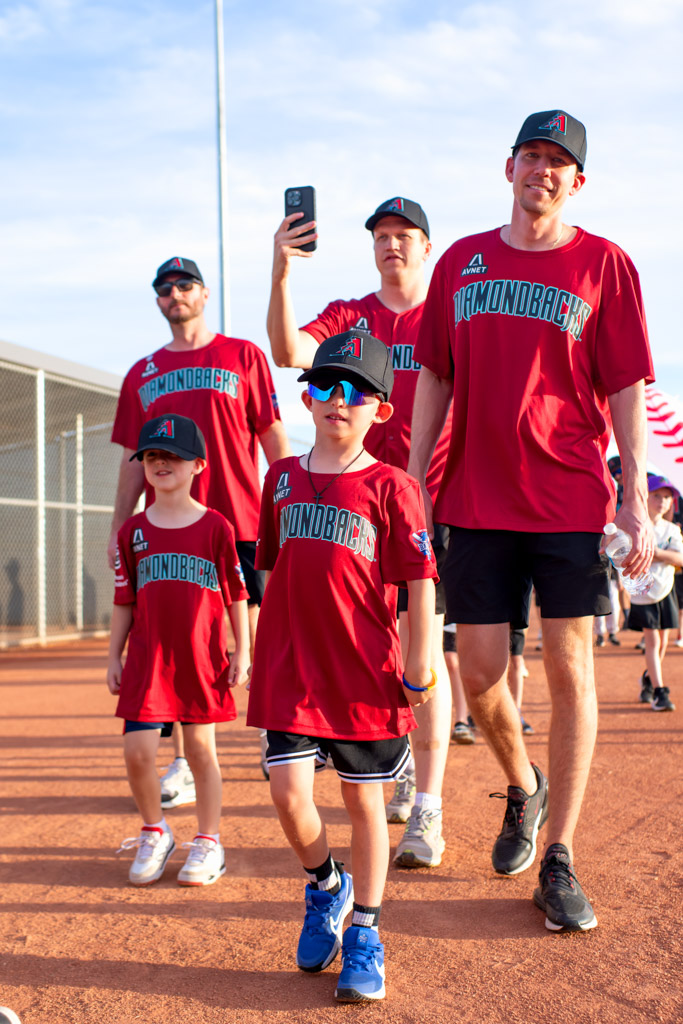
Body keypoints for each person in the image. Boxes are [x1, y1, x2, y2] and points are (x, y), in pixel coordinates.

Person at [407, 109, 655, 932]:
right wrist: (412, 477)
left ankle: (558, 857)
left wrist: (631, 492)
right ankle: (523, 784)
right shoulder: (460, 261)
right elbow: (433, 375)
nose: (541, 170)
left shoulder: (603, 264)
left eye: (557, 161)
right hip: (475, 499)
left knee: (569, 669)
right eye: (530, 156)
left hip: (568, 497)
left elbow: (625, 385)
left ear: (575, 182)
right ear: (506, 166)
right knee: (479, 677)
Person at [247, 332, 437, 1002]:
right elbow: (270, 567)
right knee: (287, 795)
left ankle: (365, 931)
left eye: (356, 390)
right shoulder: (280, 477)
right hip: (292, 666)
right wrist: (263, 645)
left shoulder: (392, 486)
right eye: (325, 384)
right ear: (307, 398)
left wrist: (419, 659)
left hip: (362, 670)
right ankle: (328, 886)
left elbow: (419, 579)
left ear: (380, 410)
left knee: (364, 803)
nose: (338, 399)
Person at [266, 198, 453, 868]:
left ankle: (426, 803)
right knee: (365, 639)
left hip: (431, 499)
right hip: (350, 501)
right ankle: (391, 766)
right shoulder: (351, 316)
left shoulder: (447, 310)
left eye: (404, 234)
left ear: (426, 246)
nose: (391, 244)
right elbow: (289, 351)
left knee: (426, 652)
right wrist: (282, 270)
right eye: (381, 235)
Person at [109, 257, 290, 804]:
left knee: (255, 629)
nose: (175, 294)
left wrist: (288, 500)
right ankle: (185, 762)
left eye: (185, 284)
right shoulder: (141, 373)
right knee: (181, 638)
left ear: (204, 294)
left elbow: (271, 433)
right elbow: (131, 457)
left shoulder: (243, 355)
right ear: (158, 300)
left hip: (240, 517)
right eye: (164, 288)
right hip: (166, 530)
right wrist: (119, 524)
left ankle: (269, 733)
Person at [107, 414, 250, 886]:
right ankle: (155, 830)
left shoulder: (216, 526)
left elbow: (236, 595)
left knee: (202, 751)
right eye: (152, 455)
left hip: (200, 658)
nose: (161, 462)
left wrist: (242, 651)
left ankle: (209, 840)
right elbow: (124, 599)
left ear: (199, 465)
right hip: (148, 660)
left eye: (173, 455)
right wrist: (113, 656)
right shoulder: (132, 532)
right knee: (137, 753)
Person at [629, 475, 683, 711]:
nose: (662, 501)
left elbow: (679, 559)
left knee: (663, 642)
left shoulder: (672, 529)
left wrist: (656, 554)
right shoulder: (635, 526)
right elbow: (630, 555)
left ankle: (648, 679)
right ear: (645, 497)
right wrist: (663, 556)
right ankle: (660, 692)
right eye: (657, 496)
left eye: (667, 497)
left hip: (666, 589)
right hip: (643, 591)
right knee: (652, 641)